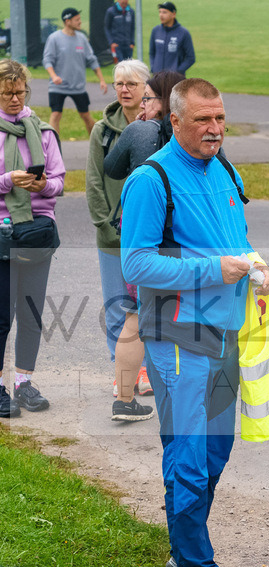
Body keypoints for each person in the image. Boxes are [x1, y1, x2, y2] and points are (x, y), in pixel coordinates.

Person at [120, 78, 269, 567]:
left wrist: (255, 263)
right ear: (176, 121)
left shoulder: (225, 168)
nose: (215, 129)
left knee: (216, 449)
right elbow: (135, 263)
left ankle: (183, 547)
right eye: (203, 120)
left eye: (221, 118)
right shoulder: (151, 179)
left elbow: (232, 242)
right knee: (188, 451)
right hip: (177, 335)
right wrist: (216, 268)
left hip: (227, 331)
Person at [103, 70, 184, 422]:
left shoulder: (139, 131)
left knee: (136, 318)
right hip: (184, 241)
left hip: (143, 240)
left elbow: (110, 167)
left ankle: (124, 397)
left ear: (164, 102)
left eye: (149, 97)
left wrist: (136, 129)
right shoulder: (191, 136)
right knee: (186, 318)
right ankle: (186, 392)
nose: (144, 103)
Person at [85, 59, 154, 421]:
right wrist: (105, 224)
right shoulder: (103, 130)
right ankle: (123, 376)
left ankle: (146, 372)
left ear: (147, 88)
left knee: (151, 308)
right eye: (118, 84)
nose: (124, 89)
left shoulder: (156, 127)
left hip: (150, 238)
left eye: (131, 83)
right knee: (118, 308)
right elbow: (94, 181)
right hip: (114, 235)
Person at [0, 59, 66, 418]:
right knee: (0, 317)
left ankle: (23, 382)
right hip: (3, 231)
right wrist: (8, 180)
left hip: (37, 230)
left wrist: (43, 184)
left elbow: (58, 180)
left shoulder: (42, 132)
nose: (14, 98)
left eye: (19, 92)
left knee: (30, 312)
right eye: (7, 93)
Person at [43, 8, 108, 137]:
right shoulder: (54, 38)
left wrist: (101, 80)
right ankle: (53, 147)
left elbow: (92, 60)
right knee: (55, 114)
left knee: (86, 115)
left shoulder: (82, 38)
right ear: (67, 21)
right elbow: (47, 60)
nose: (80, 22)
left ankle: (97, 143)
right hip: (57, 87)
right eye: (77, 20)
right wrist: (54, 76)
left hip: (78, 87)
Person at [149, 1, 195, 76]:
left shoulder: (183, 33)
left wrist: (178, 72)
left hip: (175, 79)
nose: (161, 15)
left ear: (173, 14)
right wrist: (153, 68)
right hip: (157, 78)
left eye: (164, 12)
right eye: (160, 12)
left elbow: (191, 58)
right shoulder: (155, 31)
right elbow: (152, 53)